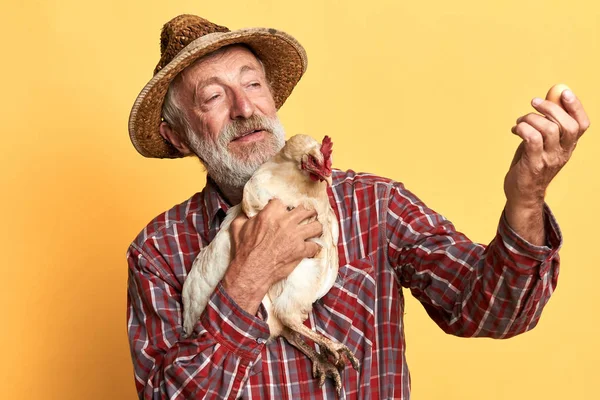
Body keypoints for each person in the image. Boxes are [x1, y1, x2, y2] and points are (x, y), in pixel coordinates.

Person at [126, 14, 590, 400]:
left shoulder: (374, 204)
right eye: (213, 96)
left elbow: (495, 311)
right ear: (178, 135)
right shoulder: (159, 252)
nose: (245, 107)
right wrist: (245, 280)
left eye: (254, 84)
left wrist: (527, 197)